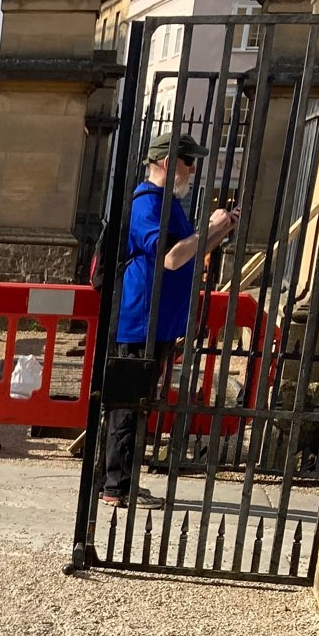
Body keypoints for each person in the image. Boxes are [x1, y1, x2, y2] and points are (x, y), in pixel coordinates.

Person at [101, 132, 239, 510]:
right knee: (128, 404)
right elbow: (172, 258)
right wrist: (208, 228)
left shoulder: (168, 203)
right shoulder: (147, 203)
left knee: (137, 402)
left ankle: (121, 481)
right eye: (187, 160)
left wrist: (219, 230)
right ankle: (116, 485)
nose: (193, 168)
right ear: (165, 161)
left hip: (157, 321)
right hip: (139, 319)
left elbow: (190, 250)